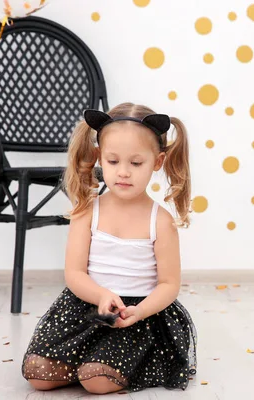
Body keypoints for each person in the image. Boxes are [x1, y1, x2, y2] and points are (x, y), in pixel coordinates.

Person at [20, 102, 197, 394]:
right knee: (39, 375)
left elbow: (169, 284)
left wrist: (139, 312)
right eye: (113, 162)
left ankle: (104, 366)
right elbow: (75, 273)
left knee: (97, 382)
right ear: (100, 157)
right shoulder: (87, 211)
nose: (123, 173)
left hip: (137, 316)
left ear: (157, 162)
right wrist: (101, 294)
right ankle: (85, 362)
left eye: (136, 163)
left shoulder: (160, 221)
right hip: (88, 308)